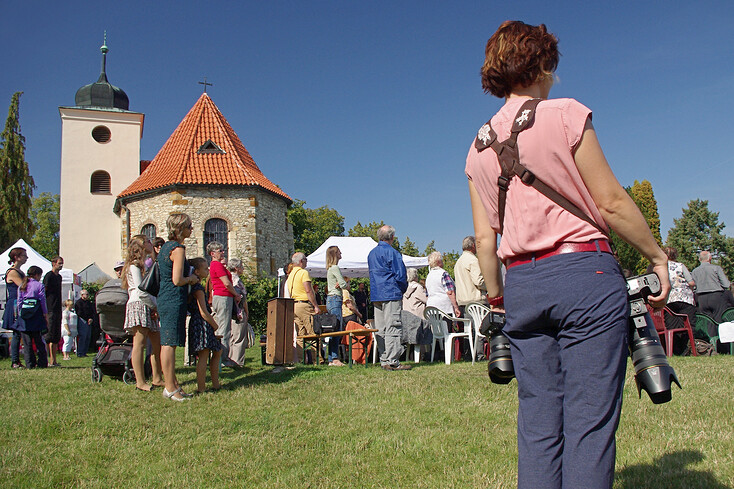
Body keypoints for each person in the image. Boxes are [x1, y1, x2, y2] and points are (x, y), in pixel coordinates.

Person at [465, 21, 669, 489]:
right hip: (584, 274)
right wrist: (656, 256)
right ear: (541, 64)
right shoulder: (565, 114)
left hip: (523, 287)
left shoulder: (477, 149)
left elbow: (483, 241)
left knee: (537, 427)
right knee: (589, 424)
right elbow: (613, 202)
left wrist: (498, 299)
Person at [157, 213, 200, 401]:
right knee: (169, 343)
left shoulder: (165, 247)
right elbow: (177, 280)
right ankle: (169, 387)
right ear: (181, 228)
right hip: (173, 297)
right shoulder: (178, 249)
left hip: (165, 297)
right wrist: (191, 279)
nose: (192, 229)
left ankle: (173, 384)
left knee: (169, 342)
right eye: (189, 226)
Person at [121, 234, 164, 392]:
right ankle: (140, 381)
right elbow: (141, 290)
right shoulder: (134, 266)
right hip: (139, 305)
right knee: (139, 343)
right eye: (146, 241)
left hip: (149, 305)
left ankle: (157, 377)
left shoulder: (145, 265)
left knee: (156, 344)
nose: (150, 243)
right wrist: (153, 307)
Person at [367, 225, 411, 371]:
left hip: (376, 294)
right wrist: (402, 289)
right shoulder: (393, 253)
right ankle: (393, 361)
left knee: (380, 328)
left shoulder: (371, 254)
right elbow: (400, 275)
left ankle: (384, 359)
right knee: (393, 326)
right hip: (390, 292)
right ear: (392, 237)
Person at [188, 257, 222, 394]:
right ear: (196, 271)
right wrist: (214, 325)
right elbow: (203, 311)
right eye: (205, 268)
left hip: (201, 323)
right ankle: (201, 388)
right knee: (204, 354)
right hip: (201, 323)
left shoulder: (197, 286)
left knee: (217, 351)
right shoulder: (197, 289)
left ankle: (215, 384)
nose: (207, 270)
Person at [207, 241, 242, 368]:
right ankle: (222, 358)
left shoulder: (217, 265)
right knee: (224, 329)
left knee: (224, 327)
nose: (222, 252)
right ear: (212, 253)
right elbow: (226, 283)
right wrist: (236, 294)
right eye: (220, 251)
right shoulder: (216, 265)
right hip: (223, 297)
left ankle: (221, 357)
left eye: (222, 250)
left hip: (222, 297)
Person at [454, 236, 488, 358]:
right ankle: (479, 354)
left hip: (463, 301)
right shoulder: (473, 261)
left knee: (469, 331)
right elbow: (479, 281)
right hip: (476, 300)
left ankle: (469, 354)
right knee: (479, 328)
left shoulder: (458, 262)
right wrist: (489, 286)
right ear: (473, 246)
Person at [285, 252, 320, 363]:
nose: (306, 262)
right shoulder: (303, 273)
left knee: (301, 335)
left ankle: (300, 359)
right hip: (304, 305)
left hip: (294, 305)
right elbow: (308, 290)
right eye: (305, 259)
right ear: (301, 261)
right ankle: (317, 359)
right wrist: (315, 305)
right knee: (313, 332)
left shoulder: (290, 275)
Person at [16, 266, 49, 369]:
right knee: (39, 340)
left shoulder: (22, 285)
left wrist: (19, 313)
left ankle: (30, 363)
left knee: (27, 342)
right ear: (37, 275)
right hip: (36, 314)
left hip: (25, 316)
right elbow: (42, 300)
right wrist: (45, 313)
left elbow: (19, 301)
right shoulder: (39, 285)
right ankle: (42, 363)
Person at [691, 250, 734, 322]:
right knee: (720, 320)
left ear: (699, 259)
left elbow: (694, 287)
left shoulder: (694, 271)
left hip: (701, 298)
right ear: (710, 258)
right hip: (716, 296)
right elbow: (726, 284)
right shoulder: (716, 268)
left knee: (707, 322)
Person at [4, 247, 27, 368]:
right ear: (16, 257)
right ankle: (14, 361)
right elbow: (23, 286)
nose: (26, 258)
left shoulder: (20, 271)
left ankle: (17, 360)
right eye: (24, 255)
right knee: (17, 333)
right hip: (14, 304)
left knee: (19, 333)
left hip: (19, 302)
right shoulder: (13, 272)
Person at [664, 247, 697, 328]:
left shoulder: (661, 267)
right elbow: (691, 282)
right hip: (685, 297)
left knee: (672, 325)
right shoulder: (680, 266)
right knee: (689, 324)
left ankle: (675, 340)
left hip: (669, 299)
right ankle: (689, 339)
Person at [325, 245, 347, 367]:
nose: (341, 253)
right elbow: (343, 284)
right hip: (335, 299)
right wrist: (343, 282)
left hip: (331, 299)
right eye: (339, 252)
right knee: (336, 329)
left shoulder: (330, 269)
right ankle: (334, 358)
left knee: (334, 328)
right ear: (335, 254)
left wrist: (341, 282)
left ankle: (332, 358)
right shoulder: (335, 268)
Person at [228, 258, 250, 367]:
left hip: (230, 312)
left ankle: (229, 359)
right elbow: (242, 298)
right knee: (238, 338)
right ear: (236, 268)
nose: (243, 268)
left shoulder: (228, 279)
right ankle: (237, 362)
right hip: (238, 312)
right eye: (241, 266)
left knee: (232, 337)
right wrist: (246, 311)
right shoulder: (237, 281)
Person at [425, 251, 461, 318]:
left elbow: (427, 295)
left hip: (431, 308)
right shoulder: (443, 273)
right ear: (438, 262)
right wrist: (456, 307)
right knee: (446, 327)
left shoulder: (428, 276)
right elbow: (450, 292)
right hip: (444, 308)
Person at [43, 256, 64, 367]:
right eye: (59, 263)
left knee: (56, 335)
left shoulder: (59, 277)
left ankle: (54, 360)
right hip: (50, 308)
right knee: (49, 335)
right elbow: (44, 291)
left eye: (62, 263)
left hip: (57, 309)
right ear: (53, 263)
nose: (61, 265)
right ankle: (47, 360)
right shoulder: (49, 276)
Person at [74, 289, 95, 357]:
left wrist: (91, 318)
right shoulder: (79, 303)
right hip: (82, 320)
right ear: (82, 295)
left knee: (88, 337)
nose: (87, 296)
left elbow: (92, 311)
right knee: (83, 336)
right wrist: (87, 319)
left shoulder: (89, 302)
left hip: (89, 321)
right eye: (86, 294)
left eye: (88, 294)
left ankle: (85, 352)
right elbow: (79, 313)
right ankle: (80, 352)